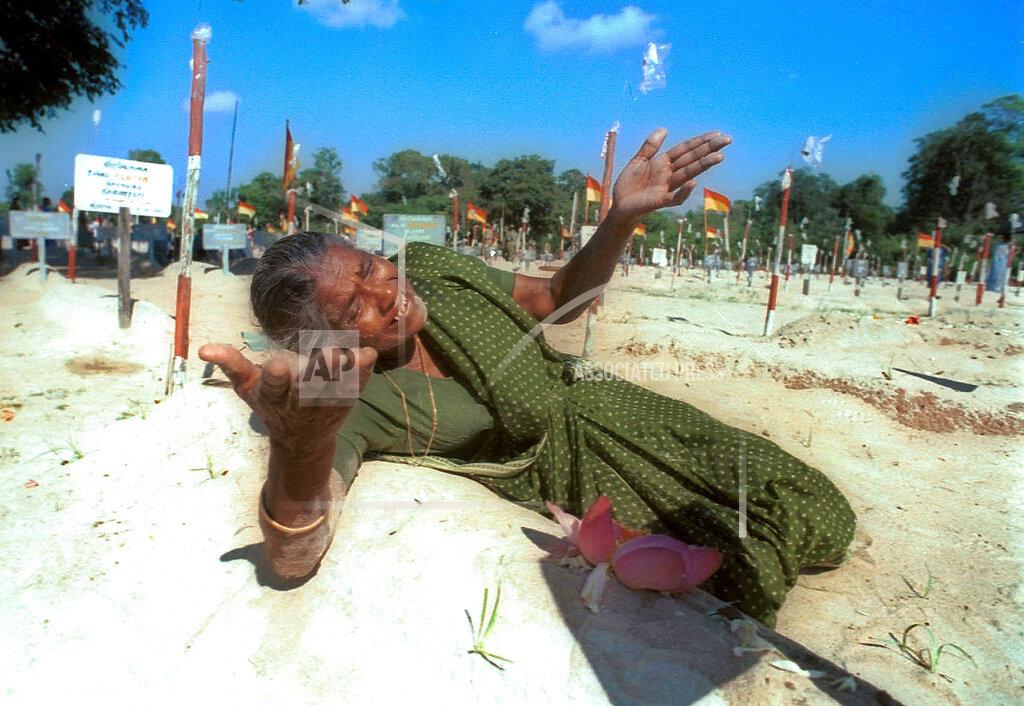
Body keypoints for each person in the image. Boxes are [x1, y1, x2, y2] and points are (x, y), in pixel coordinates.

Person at [200, 129, 855, 626]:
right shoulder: (348, 397)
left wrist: (621, 217)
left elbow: (559, 296)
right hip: (576, 482)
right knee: (741, 569)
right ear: (328, 340)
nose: (388, 289)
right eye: (356, 306)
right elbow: (293, 560)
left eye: (372, 266)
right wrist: (298, 445)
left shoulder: (428, 266)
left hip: (613, 410)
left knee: (822, 516)